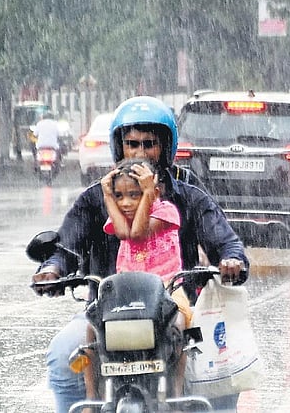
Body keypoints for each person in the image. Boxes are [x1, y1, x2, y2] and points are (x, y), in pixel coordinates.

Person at [31, 96, 249, 413]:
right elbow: (67, 245)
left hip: (173, 308)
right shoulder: (95, 198)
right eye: (132, 144)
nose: (141, 153)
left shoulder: (189, 197)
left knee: (222, 364)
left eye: (150, 144)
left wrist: (232, 262)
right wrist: (52, 269)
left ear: (166, 148)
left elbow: (225, 242)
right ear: (119, 148)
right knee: (63, 355)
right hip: (105, 314)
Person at [82, 158, 192, 400]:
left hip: (167, 287)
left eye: (135, 194)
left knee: (180, 325)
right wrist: (107, 195)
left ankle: (176, 392)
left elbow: (138, 233)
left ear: (156, 190)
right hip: (126, 291)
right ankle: (92, 395)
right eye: (119, 196)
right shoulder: (120, 217)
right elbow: (124, 233)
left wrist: (149, 194)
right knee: (91, 329)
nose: (126, 203)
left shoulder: (165, 211)